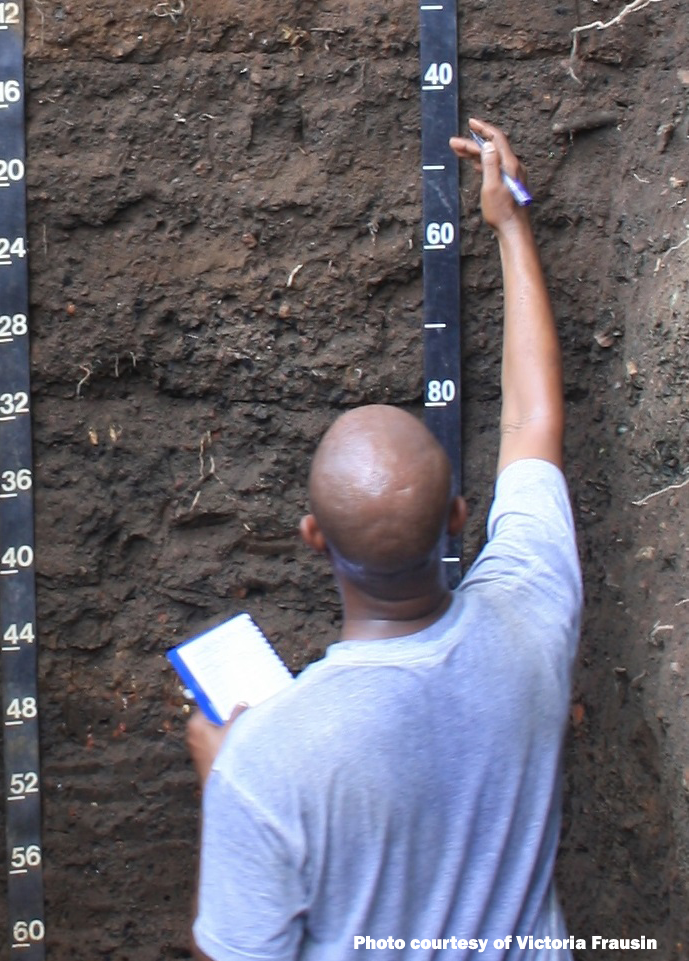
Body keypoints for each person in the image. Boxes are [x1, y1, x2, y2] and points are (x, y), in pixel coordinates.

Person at [185, 118, 583, 960]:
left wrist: (223, 780)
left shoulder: (266, 760)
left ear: (311, 539)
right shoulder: (531, 615)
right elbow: (531, 422)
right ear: (459, 519)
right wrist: (511, 223)